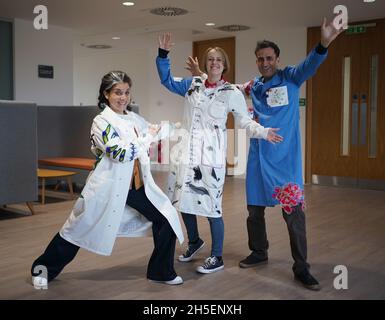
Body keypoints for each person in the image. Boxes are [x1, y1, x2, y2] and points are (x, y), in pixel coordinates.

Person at [31, 71, 184, 288]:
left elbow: (149, 131)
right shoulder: (101, 122)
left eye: (127, 92)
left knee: (166, 218)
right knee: (77, 230)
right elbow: (119, 153)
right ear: (106, 94)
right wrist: (147, 136)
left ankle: (161, 271)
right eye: (117, 92)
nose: (123, 97)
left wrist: (168, 128)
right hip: (107, 187)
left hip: (136, 186)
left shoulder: (132, 118)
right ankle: (42, 269)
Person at [156, 33, 283, 274]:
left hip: (210, 160)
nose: (214, 63)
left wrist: (264, 132)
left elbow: (245, 122)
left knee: (212, 208)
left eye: (219, 60)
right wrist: (163, 56)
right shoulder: (192, 85)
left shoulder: (231, 92)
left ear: (224, 66)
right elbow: (166, 81)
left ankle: (217, 256)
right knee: (183, 202)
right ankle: (194, 242)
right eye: (211, 59)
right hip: (185, 156)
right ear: (206, 64)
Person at [237, 18, 344, 290]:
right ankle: (259, 252)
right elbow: (228, 89)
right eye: (260, 59)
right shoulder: (255, 86)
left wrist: (324, 41)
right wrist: (205, 77)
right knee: (254, 212)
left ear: (277, 58)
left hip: (285, 161)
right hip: (259, 159)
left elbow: (312, 62)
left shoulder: (291, 77)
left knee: (294, 216)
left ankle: (301, 268)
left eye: (269, 58)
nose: (265, 63)